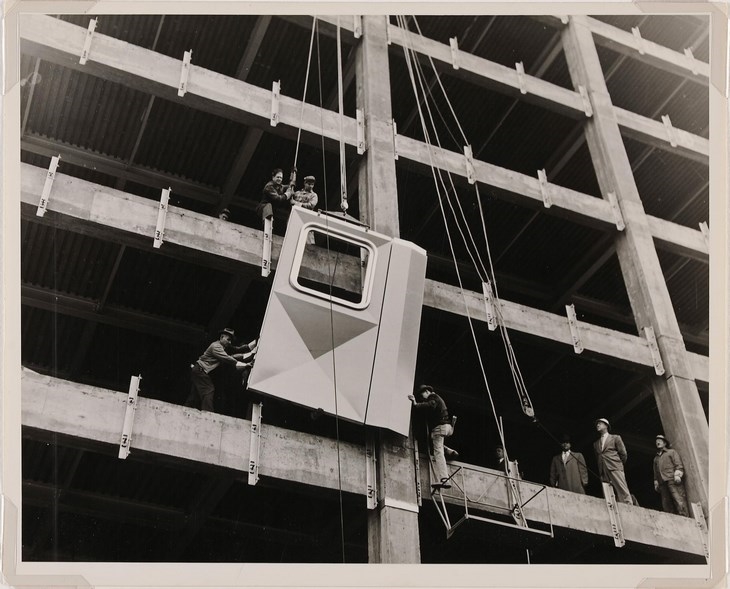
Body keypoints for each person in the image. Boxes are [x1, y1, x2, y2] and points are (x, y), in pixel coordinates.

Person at [185, 328, 257, 413]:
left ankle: (185, 409)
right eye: (228, 340)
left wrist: (256, 342)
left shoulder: (223, 346)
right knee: (209, 389)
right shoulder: (216, 347)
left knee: (195, 393)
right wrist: (246, 364)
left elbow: (238, 349)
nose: (230, 343)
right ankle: (208, 413)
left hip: (198, 370)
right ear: (222, 337)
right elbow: (229, 359)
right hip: (200, 370)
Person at [408, 385, 458, 490]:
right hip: (448, 428)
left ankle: (444, 479)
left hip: (440, 429)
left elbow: (430, 405)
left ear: (427, 392)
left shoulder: (433, 398)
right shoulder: (438, 398)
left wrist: (415, 403)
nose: (423, 398)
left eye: (423, 396)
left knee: (438, 452)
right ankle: (449, 451)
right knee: (436, 442)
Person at [593, 418, 633, 504]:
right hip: (603, 469)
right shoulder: (596, 443)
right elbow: (598, 456)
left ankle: (628, 504)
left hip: (614, 466)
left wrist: (618, 464)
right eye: (597, 424)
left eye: (600, 423)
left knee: (621, 487)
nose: (598, 425)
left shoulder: (615, 438)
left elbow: (623, 454)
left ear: (606, 426)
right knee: (607, 490)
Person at [653, 434, 690, 517]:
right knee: (666, 504)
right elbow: (655, 472)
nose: (657, 442)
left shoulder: (671, 452)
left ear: (665, 443)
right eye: (656, 441)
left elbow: (678, 464)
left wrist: (678, 474)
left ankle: (685, 517)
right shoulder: (656, 458)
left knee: (679, 499)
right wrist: (656, 482)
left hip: (672, 480)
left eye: (659, 441)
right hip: (662, 483)